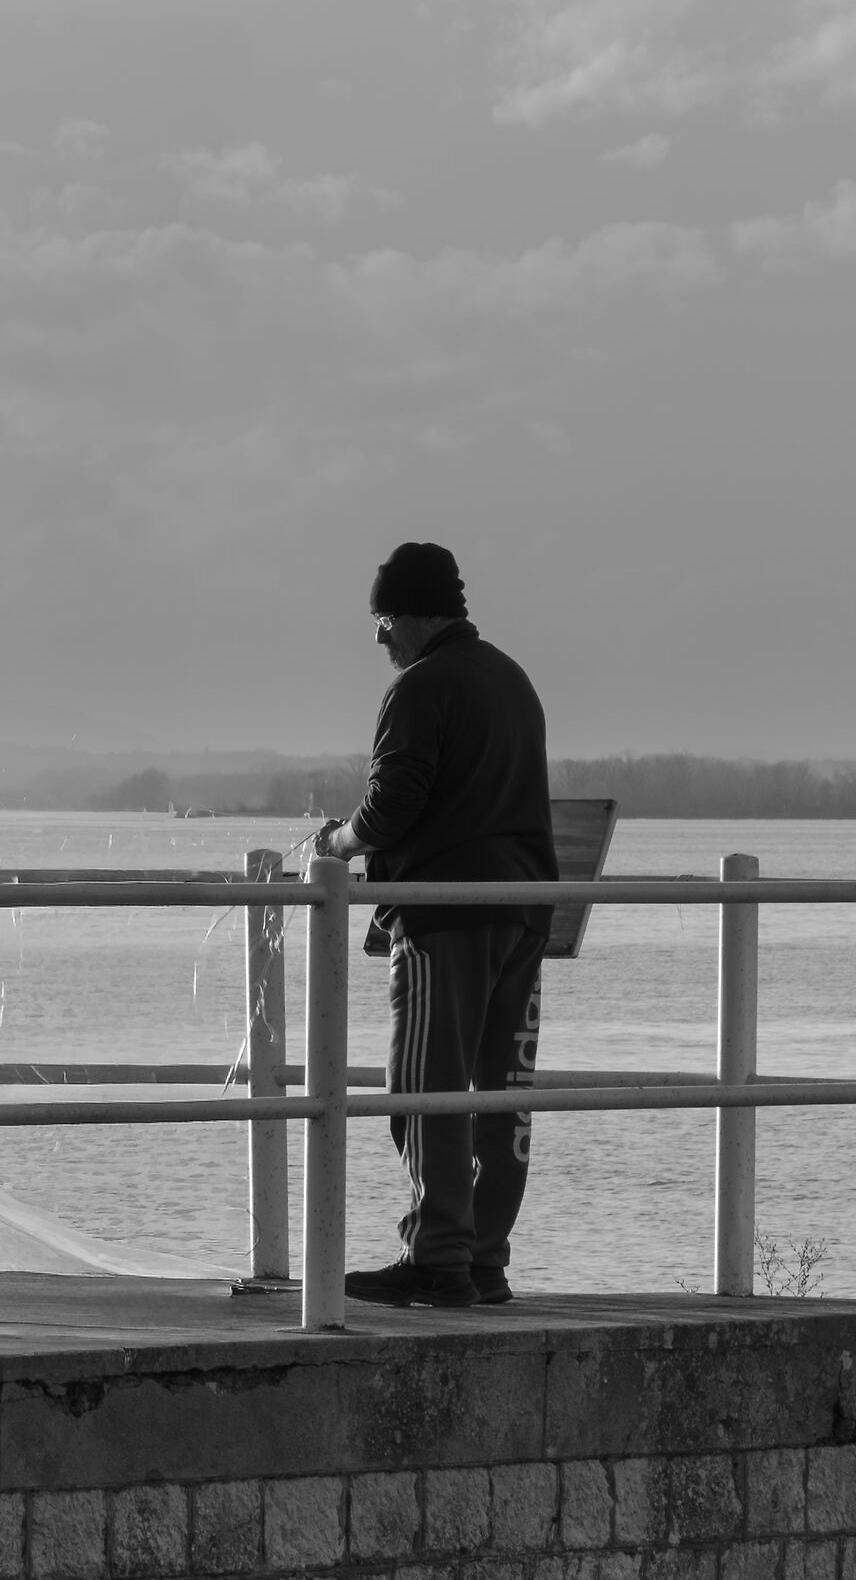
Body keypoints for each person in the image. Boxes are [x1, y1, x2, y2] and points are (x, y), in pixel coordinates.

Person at [309, 542, 557, 1309]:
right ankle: (484, 1258)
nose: (380, 639)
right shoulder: (512, 680)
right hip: (523, 911)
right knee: (501, 1090)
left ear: (416, 616)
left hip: (443, 914)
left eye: (384, 620)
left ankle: (438, 1257)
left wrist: (335, 844)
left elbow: (391, 810)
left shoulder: (420, 687)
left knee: (423, 1086)